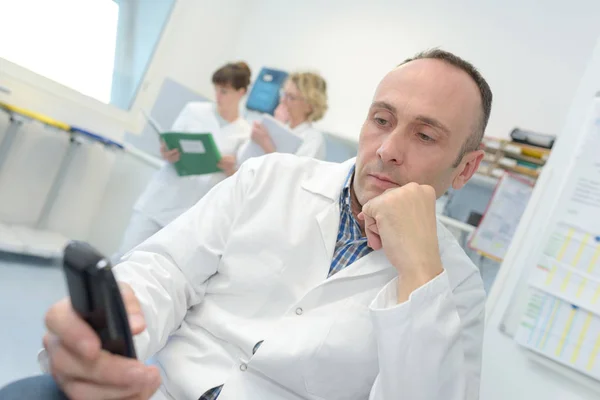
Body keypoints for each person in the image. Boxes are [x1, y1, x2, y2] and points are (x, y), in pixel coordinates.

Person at [0, 49, 492, 400]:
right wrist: (113, 342)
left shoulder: (459, 289)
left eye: (425, 135)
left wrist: (421, 279)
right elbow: (165, 271)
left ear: (465, 169)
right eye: (382, 120)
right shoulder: (272, 178)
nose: (388, 149)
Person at [113, 62, 252, 261]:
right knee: (124, 257)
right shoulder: (194, 111)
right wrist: (167, 152)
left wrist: (233, 169)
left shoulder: (245, 133)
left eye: (224, 91)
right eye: (216, 90)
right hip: (160, 200)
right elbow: (170, 145)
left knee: (154, 271)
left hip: (188, 216)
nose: (218, 97)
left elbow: (240, 181)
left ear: (241, 92)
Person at [238, 71, 329, 164]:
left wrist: (267, 145)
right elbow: (240, 159)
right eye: (284, 94)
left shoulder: (313, 139)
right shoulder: (279, 123)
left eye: (291, 97)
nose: (283, 100)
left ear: (310, 106)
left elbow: (293, 175)